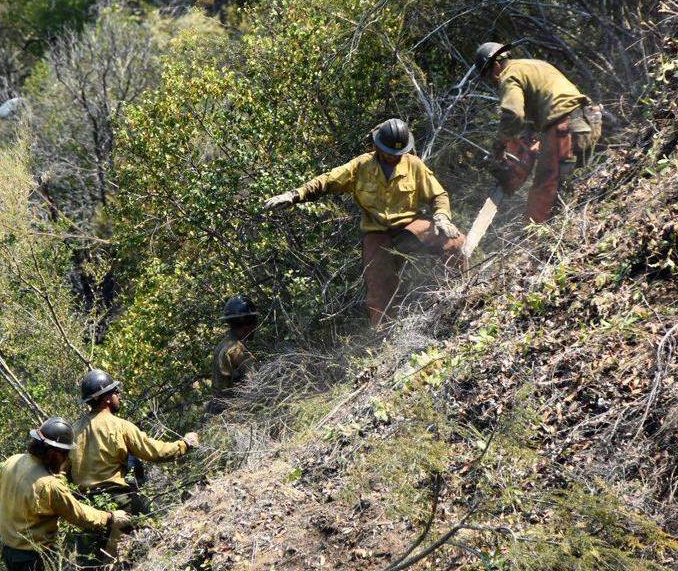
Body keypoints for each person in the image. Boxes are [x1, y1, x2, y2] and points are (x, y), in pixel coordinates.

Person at [263, 118, 464, 327]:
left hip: (410, 225)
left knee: (454, 242)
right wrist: (295, 194)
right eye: (388, 152)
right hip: (378, 233)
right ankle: (385, 335)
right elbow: (327, 180)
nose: (393, 157)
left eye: (398, 153)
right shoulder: (361, 166)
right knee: (379, 289)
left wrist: (441, 217)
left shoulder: (414, 165)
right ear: (378, 146)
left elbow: (438, 194)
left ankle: (460, 294)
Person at [68, 369, 198, 567]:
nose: (119, 394)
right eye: (116, 391)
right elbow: (154, 452)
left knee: (87, 564)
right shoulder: (120, 426)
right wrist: (184, 444)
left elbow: (64, 472)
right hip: (119, 501)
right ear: (107, 399)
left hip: (84, 506)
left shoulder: (73, 430)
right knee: (154, 532)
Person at [473, 42, 602, 223]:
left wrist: (500, 144)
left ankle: (534, 236)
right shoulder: (533, 65)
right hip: (586, 120)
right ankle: (571, 223)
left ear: (495, 66)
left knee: (543, 186)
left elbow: (514, 114)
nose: (492, 81)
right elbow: (547, 102)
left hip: (563, 127)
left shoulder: (508, 76)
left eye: (488, 77)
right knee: (568, 180)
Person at [0, 417, 128, 571]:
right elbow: (78, 515)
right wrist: (110, 517)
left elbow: (1, 495)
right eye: (65, 453)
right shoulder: (50, 485)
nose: (67, 458)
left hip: (9, 552)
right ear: (54, 453)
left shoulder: (12, 462)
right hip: (35, 557)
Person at [208, 296, 257, 414]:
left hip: (217, 409)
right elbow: (254, 386)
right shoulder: (237, 350)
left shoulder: (223, 344)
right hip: (231, 411)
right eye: (254, 321)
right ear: (247, 323)